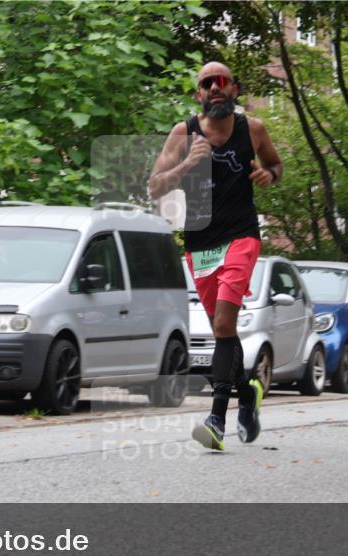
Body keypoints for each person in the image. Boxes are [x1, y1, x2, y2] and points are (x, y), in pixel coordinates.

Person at [149, 62, 282, 450]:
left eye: (222, 82)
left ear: (235, 90)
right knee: (222, 330)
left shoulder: (252, 130)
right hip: (201, 243)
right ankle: (247, 393)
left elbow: (276, 164)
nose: (216, 87)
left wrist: (269, 175)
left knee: (225, 321)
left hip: (241, 237)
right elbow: (156, 186)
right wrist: (189, 163)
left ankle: (216, 419)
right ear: (199, 94)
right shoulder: (183, 133)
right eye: (208, 83)